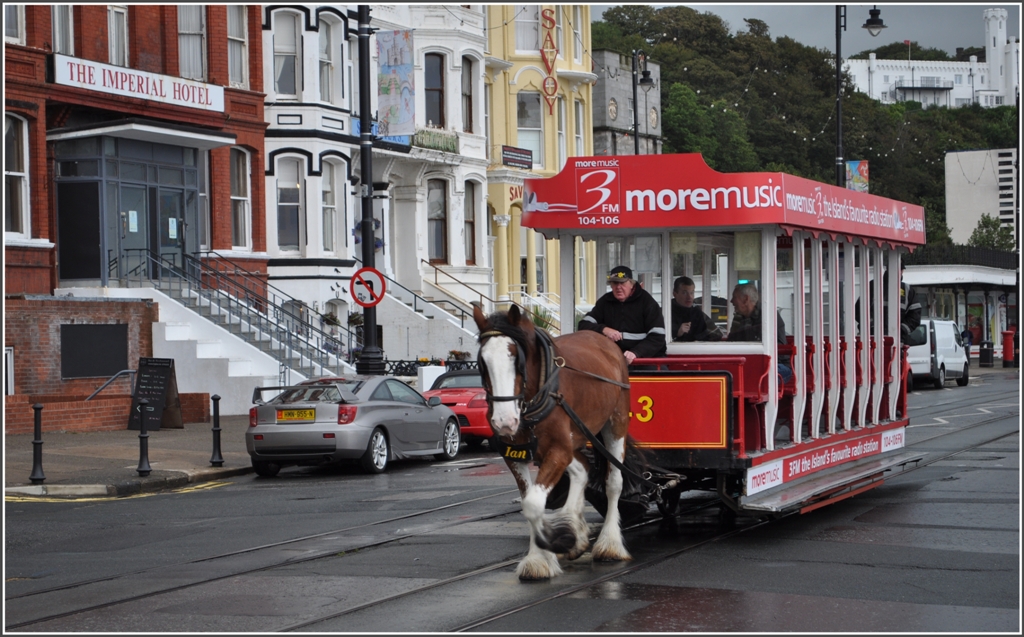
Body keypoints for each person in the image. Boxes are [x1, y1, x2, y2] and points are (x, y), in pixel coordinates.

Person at [578, 265, 666, 365]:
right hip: (613, 361)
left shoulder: (647, 302)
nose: (618, 287)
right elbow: (583, 325)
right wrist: (604, 329)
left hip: (645, 361)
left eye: (622, 283)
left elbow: (657, 337)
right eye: (615, 283)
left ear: (632, 284)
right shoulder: (605, 301)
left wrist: (636, 352)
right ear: (611, 285)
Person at [727, 282, 792, 384]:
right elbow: (731, 342)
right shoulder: (739, 317)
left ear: (745, 299)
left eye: (734, 297)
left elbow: (762, 348)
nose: (731, 301)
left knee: (756, 376)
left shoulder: (767, 315)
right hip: (750, 364)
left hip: (777, 365)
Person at [671, 276, 723, 342]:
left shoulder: (696, 311)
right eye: (684, 293)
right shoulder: (666, 312)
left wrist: (699, 340)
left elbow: (716, 333)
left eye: (692, 293)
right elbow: (659, 338)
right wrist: (677, 333)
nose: (689, 297)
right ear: (675, 294)